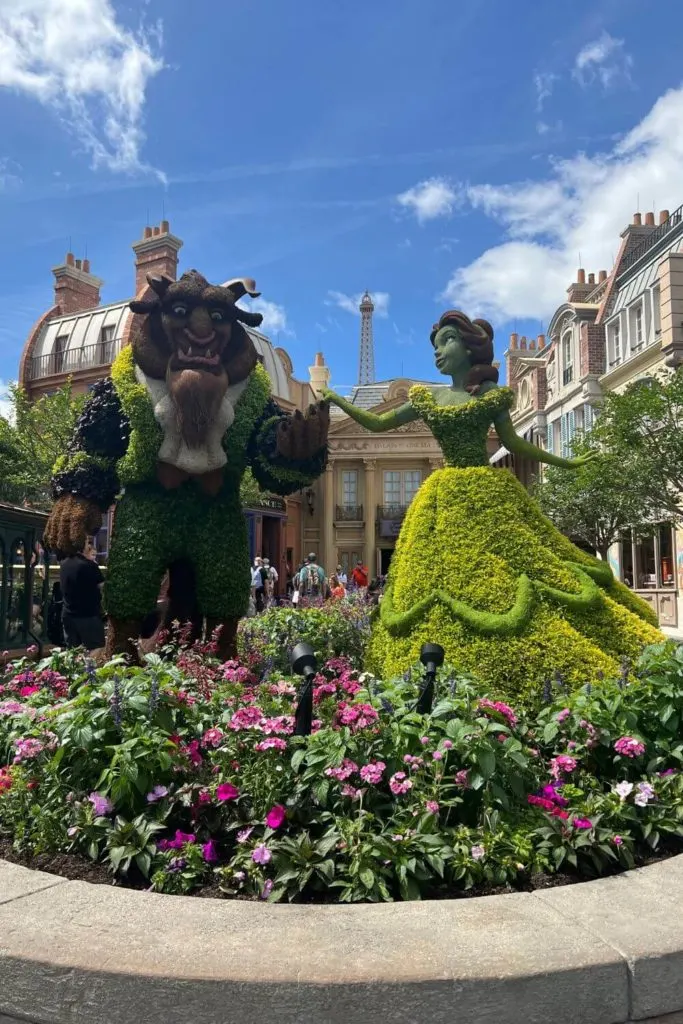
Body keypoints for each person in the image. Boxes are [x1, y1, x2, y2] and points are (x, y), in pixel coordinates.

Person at [321, 308, 662, 691]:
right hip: (443, 494)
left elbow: (514, 443)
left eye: (447, 341)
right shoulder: (427, 398)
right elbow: (379, 423)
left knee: (518, 562)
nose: (438, 351)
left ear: (470, 348)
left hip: (487, 491)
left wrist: (565, 461)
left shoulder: (491, 397)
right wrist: (336, 398)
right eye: (435, 345)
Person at [59, 537, 105, 651]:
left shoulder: (64, 564)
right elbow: (103, 586)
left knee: (73, 653)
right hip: (88, 616)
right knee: (95, 652)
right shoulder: (89, 565)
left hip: (68, 614)